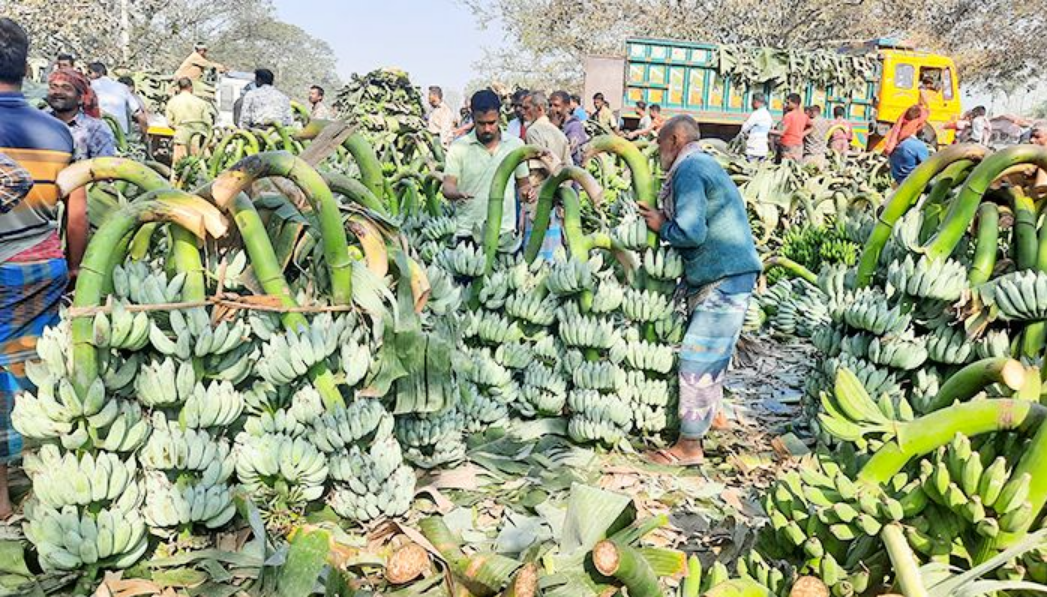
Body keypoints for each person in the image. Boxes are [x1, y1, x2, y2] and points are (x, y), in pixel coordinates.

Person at [638, 116, 761, 466]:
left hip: (724, 274)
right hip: (728, 272)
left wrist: (663, 226)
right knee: (713, 351)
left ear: (675, 139)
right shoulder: (704, 163)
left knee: (698, 355)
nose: (659, 152)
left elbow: (691, 232)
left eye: (661, 144)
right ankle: (714, 420)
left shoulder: (690, 169)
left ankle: (689, 447)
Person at [0, 18, 85, 518]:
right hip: (36, 269)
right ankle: (37, 479)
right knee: (29, 370)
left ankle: (2, 502)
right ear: (26, 69)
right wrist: (73, 271)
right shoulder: (56, 133)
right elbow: (76, 213)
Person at [442, 89, 534, 238]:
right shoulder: (459, 147)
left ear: (499, 116)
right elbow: (448, 185)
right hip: (468, 231)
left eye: (492, 123)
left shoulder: (516, 145)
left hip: (504, 231)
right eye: (481, 123)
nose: (487, 129)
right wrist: (455, 193)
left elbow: (523, 184)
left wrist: (526, 193)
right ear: (473, 118)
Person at [522, 91, 572, 260]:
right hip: (557, 200)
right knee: (554, 256)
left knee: (534, 255)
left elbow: (538, 169)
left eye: (527, 108)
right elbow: (569, 170)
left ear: (539, 109)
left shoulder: (533, 132)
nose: (524, 112)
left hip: (538, 200)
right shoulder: (560, 134)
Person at [46, 68, 116, 161]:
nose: (58, 92)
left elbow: (104, 167)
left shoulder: (96, 129)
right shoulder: (38, 122)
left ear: (81, 98)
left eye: (66, 88)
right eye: (53, 87)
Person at [87, 62, 143, 140]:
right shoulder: (122, 87)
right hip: (121, 136)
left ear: (99, 73)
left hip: (97, 134)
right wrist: (146, 136)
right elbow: (139, 114)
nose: (88, 76)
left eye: (89, 72)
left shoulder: (89, 87)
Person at [165, 78, 214, 165]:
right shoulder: (201, 102)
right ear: (191, 88)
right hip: (198, 138)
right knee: (198, 165)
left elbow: (169, 122)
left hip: (181, 137)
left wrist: (178, 128)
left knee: (179, 165)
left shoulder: (172, 102)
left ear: (179, 88)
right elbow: (208, 122)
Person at [889, 110, 930, 184]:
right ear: (919, 125)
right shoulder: (918, 146)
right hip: (913, 186)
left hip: (896, 186)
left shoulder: (896, 145)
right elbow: (929, 169)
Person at [551, 90, 588, 166]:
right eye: (550, 105)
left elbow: (568, 151)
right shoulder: (558, 123)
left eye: (556, 106)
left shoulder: (574, 127)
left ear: (567, 107)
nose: (552, 109)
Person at [770, 93, 807, 162]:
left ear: (795, 103)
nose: (786, 105)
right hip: (798, 145)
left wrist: (767, 130)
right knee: (796, 166)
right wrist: (802, 134)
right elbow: (811, 127)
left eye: (788, 103)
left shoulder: (788, 116)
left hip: (788, 145)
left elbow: (781, 133)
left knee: (786, 166)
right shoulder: (803, 115)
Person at [117, 75, 150, 145]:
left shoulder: (131, 99)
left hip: (129, 133)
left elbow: (142, 115)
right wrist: (145, 133)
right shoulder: (133, 98)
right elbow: (143, 115)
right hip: (131, 133)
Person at [739, 93, 773, 161]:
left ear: (756, 102)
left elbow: (744, 128)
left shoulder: (756, 114)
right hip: (763, 148)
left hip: (753, 147)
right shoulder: (768, 115)